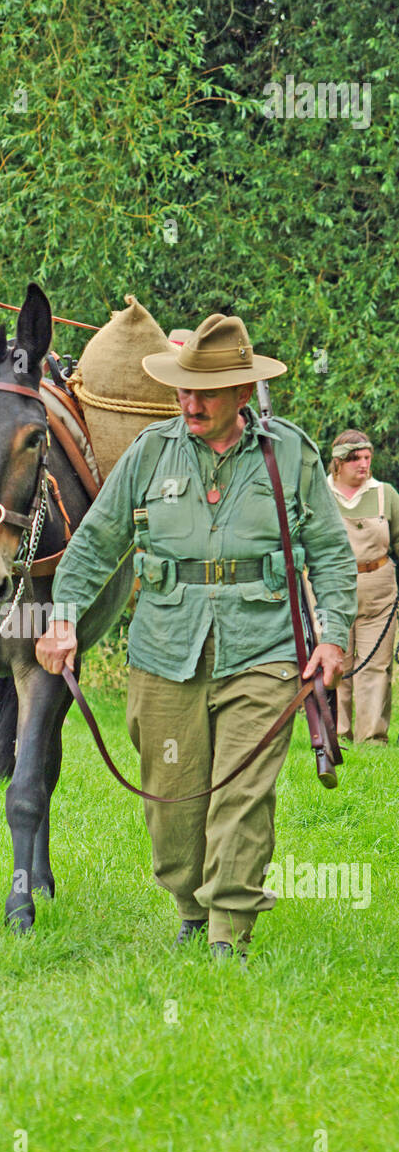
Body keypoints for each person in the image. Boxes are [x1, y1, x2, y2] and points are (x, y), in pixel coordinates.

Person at [35, 314, 357, 961]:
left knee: (241, 792)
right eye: (184, 390)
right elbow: (95, 543)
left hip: (264, 651)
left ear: (242, 394)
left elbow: (329, 553)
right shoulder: (150, 452)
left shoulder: (288, 453)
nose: (190, 403)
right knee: (173, 797)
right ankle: (189, 903)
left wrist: (333, 635)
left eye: (205, 392)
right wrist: (62, 616)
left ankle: (225, 933)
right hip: (164, 649)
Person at [328, 431, 399, 743]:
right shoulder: (319, 493)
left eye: (367, 457)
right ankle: (336, 734)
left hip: (379, 588)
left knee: (376, 665)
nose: (364, 464)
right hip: (330, 587)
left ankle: (372, 739)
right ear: (339, 462)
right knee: (335, 663)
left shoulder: (385, 494)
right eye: (356, 458)